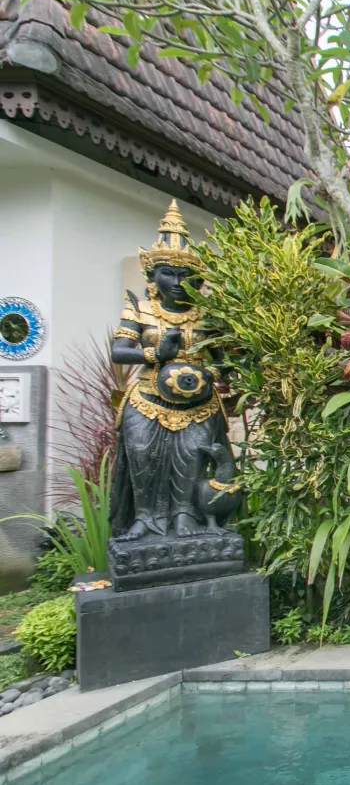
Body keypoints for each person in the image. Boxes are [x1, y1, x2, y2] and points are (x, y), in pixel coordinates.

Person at [109, 202, 229, 540]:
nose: (177, 282)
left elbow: (221, 360)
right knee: (143, 455)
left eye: (185, 275)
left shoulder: (207, 315)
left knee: (192, 457)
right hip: (148, 397)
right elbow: (119, 352)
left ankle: (183, 516)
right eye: (169, 274)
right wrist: (154, 354)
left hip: (198, 403)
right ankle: (144, 518)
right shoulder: (141, 308)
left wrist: (218, 374)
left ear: (198, 279)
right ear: (152, 275)